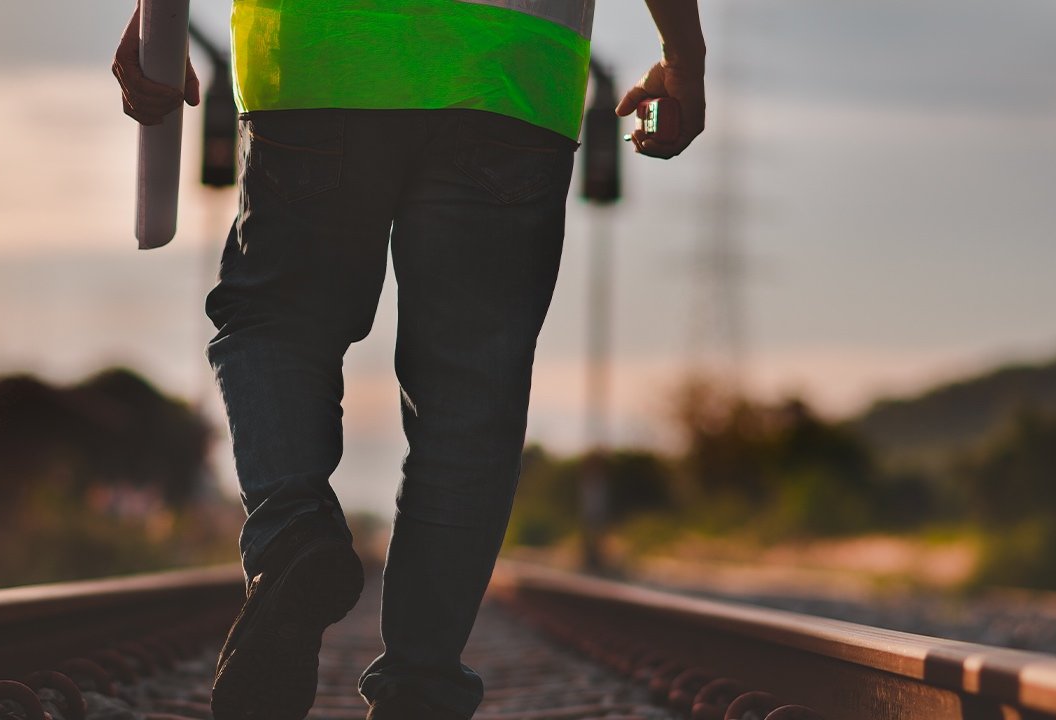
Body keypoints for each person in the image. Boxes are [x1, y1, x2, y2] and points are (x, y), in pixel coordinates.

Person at [113, 1, 705, 718]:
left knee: (276, 321)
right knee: (469, 391)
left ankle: (294, 529)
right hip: (510, 72)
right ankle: (420, 690)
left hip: (317, 50)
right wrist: (683, 56)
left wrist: (158, 19)